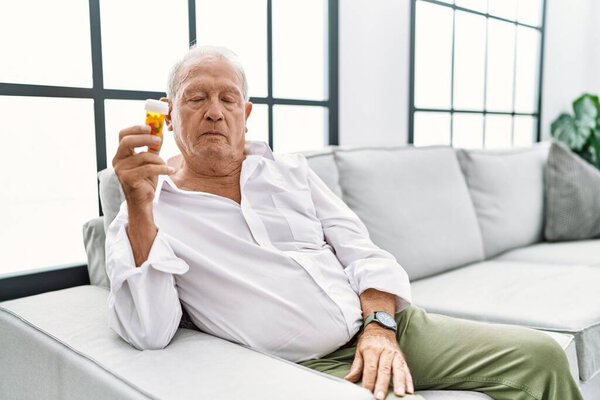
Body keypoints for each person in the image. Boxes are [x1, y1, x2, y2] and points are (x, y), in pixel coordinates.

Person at [106, 45, 583, 400]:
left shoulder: (289, 171)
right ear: (167, 116)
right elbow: (150, 330)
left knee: (540, 357)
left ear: (246, 115)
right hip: (307, 367)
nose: (214, 111)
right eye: (195, 99)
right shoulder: (146, 209)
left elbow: (361, 249)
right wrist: (140, 208)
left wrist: (380, 327)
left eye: (228, 99)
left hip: (385, 324)